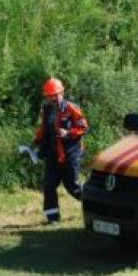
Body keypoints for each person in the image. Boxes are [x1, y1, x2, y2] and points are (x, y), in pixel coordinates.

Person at [33, 78, 89, 224]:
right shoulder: (47, 109)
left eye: (54, 95)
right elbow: (43, 128)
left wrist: (69, 133)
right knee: (49, 185)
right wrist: (35, 142)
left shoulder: (71, 108)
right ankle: (52, 219)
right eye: (49, 96)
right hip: (52, 154)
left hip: (70, 153)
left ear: (61, 93)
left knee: (72, 186)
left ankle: (95, 205)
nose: (52, 98)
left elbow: (84, 128)